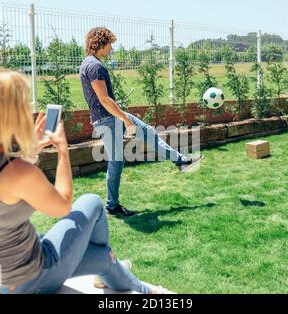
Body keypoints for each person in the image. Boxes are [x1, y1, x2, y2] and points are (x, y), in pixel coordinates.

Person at [0, 68, 169, 294]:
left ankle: (142, 289)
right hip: (33, 277)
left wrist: (33, 147)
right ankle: (144, 290)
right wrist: (63, 150)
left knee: (103, 258)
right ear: (12, 114)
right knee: (93, 202)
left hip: (1, 278)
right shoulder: (17, 172)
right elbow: (62, 205)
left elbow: (2, 187)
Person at [80, 27, 202, 217]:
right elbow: (103, 99)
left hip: (106, 118)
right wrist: (125, 118)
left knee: (137, 141)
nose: (112, 48)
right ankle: (112, 205)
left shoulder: (88, 63)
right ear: (100, 43)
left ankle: (181, 161)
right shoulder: (95, 66)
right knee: (122, 156)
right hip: (108, 119)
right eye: (110, 44)